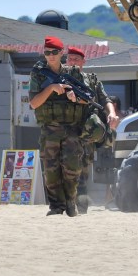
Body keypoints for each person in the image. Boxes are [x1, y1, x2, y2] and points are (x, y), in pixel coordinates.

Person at [28, 36, 87, 217]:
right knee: (51, 171)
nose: (51, 56)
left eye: (54, 52)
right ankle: (56, 206)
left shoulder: (73, 73)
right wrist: (51, 88)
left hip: (71, 129)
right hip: (50, 129)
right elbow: (34, 103)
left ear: (62, 53)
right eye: (47, 53)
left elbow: (87, 99)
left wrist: (74, 97)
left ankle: (71, 201)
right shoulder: (38, 74)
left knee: (72, 169)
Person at [65, 45, 120, 214]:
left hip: (86, 133)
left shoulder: (92, 79)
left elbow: (105, 99)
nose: (73, 62)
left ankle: (81, 209)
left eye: (77, 59)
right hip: (65, 131)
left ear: (83, 62)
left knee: (82, 173)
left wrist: (112, 114)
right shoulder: (60, 79)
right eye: (70, 58)